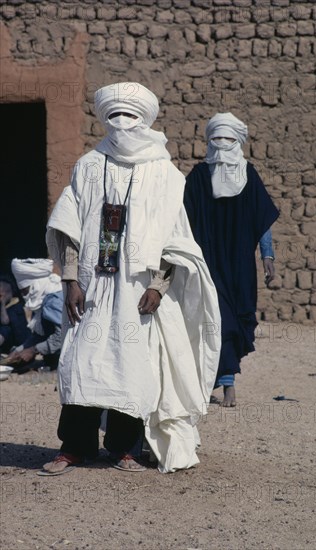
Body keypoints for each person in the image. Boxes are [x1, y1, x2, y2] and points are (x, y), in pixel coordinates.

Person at [40, 82, 220, 476]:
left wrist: (159, 284)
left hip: (138, 289)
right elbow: (68, 225)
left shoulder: (165, 174)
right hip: (92, 283)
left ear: (145, 120)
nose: (121, 125)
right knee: (80, 364)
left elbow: (175, 237)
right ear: (105, 119)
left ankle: (123, 448)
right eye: (114, 117)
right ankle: (74, 447)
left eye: (130, 117)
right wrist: (70, 277)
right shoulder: (88, 165)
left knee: (132, 365)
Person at [184, 112, 279, 407]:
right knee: (212, 319)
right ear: (209, 141)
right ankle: (222, 382)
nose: (222, 144)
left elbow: (262, 219)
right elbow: (182, 218)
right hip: (206, 261)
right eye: (217, 138)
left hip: (238, 266)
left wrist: (268, 256)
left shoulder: (248, 175)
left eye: (228, 139)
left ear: (237, 141)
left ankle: (222, 382)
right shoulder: (199, 177)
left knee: (234, 318)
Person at [7, 259, 63, 371]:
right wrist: (20, 349)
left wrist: (33, 350)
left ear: (35, 286)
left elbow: (61, 335)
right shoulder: (40, 301)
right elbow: (40, 334)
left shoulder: (53, 301)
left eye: (25, 291)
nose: (24, 296)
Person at [0, 275, 30, 354]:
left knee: (5, 328)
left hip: (18, 343)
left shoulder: (16, 308)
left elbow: (5, 321)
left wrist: (2, 303)